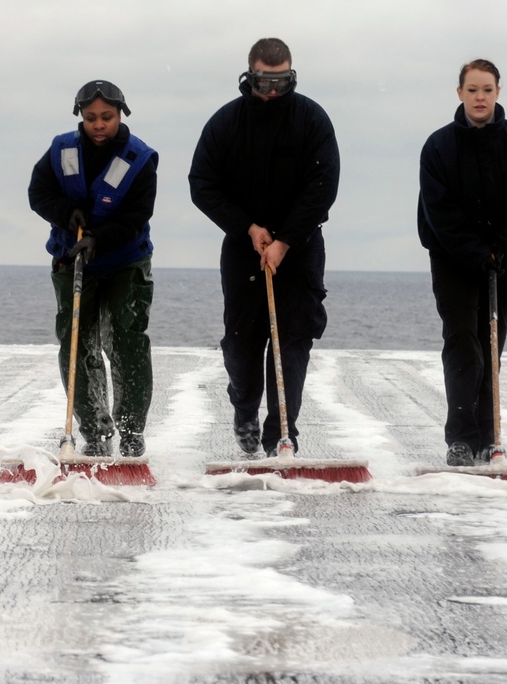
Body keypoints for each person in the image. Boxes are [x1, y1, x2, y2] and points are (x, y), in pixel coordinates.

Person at [189, 38, 339, 456]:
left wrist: (286, 240)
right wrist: (249, 228)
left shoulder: (312, 119)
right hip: (243, 248)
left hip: (301, 245)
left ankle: (282, 436)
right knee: (242, 345)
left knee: (292, 341)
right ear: (248, 75)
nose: (272, 91)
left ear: (292, 76)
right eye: (264, 81)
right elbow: (201, 183)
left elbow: (323, 186)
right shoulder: (226, 123)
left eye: (281, 81)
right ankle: (244, 410)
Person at [418, 59, 507, 467]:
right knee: (463, 343)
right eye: (472, 89)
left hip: (503, 258)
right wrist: (475, 251)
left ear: (498, 92)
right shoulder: (439, 146)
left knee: (491, 342)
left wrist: (506, 243)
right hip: (452, 260)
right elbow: (437, 210)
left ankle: (489, 435)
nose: (479, 97)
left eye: (487, 89)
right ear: (459, 92)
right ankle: (461, 439)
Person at [28, 80, 159, 457]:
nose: (99, 125)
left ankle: (132, 429)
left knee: (127, 341)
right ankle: (95, 432)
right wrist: (66, 214)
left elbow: (137, 216)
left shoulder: (140, 159)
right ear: (80, 118)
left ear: (121, 114)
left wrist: (99, 238)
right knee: (76, 344)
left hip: (124, 261)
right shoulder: (60, 151)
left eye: (107, 117)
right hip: (72, 261)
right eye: (90, 118)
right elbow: (38, 193)